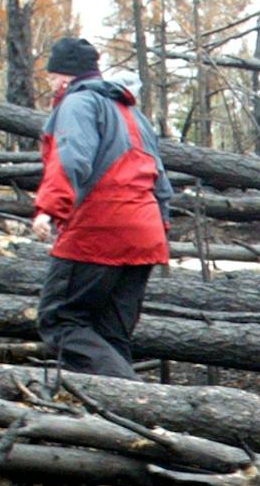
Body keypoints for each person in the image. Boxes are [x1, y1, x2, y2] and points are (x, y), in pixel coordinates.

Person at [29, 36, 172, 380]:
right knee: (109, 335)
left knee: (59, 320)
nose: (50, 85)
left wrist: (49, 208)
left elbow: (71, 157)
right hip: (145, 234)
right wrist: (158, 229)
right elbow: (162, 182)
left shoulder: (77, 105)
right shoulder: (131, 112)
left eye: (51, 78)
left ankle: (141, 401)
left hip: (100, 229)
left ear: (64, 77)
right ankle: (117, 427)